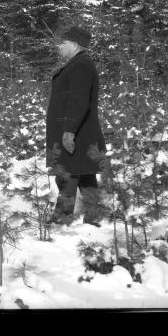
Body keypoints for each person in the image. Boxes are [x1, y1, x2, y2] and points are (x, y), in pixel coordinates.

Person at [45, 26, 108, 227]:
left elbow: (78, 101)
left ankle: (61, 220)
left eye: (63, 43)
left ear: (74, 44)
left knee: (67, 174)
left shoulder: (81, 65)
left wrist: (69, 131)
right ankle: (94, 217)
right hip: (80, 133)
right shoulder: (79, 63)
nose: (60, 47)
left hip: (76, 133)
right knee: (86, 174)